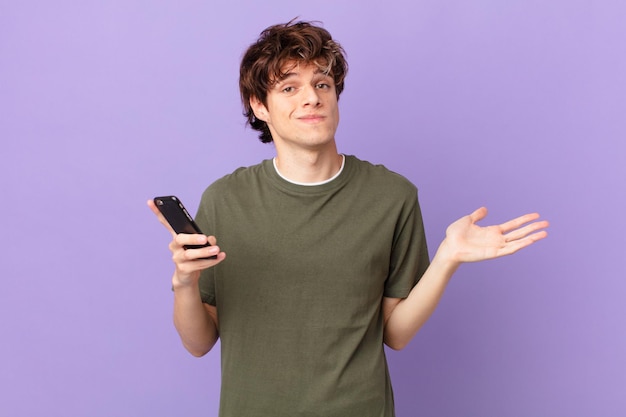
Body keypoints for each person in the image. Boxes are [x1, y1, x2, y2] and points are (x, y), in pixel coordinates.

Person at [147, 20, 549, 417]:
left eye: (322, 84)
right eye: (289, 88)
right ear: (259, 106)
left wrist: (447, 259)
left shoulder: (393, 196)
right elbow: (198, 343)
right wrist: (185, 281)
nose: (312, 98)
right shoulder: (225, 200)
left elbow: (395, 333)